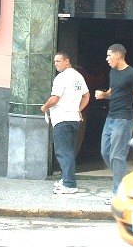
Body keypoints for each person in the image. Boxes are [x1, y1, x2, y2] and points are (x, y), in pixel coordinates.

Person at [95, 44, 133, 205]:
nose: (107, 59)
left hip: (124, 119)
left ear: (118, 55)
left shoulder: (132, 74)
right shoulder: (113, 72)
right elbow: (112, 92)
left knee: (117, 156)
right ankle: (123, 177)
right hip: (111, 118)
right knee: (105, 152)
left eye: (109, 56)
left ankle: (119, 193)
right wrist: (104, 95)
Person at [41, 51, 90, 194]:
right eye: (55, 62)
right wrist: (78, 109)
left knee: (63, 152)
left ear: (66, 61)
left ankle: (69, 184)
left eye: (58, 61)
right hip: (74, 119)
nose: (55, 64)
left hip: (62, 119)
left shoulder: (61, 78)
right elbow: (86, 96)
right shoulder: (78, 76)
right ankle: (65, 178)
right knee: (69, 151)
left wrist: (45, 107)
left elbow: (55, 98)